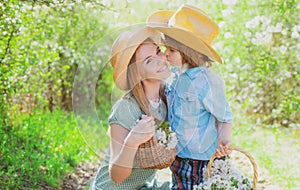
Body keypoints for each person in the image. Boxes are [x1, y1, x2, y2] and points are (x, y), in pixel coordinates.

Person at [147, 4, 234, 189]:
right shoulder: (173, 77)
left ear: (189, 52)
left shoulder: (207, 82)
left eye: (171, 50)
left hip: (202, 160)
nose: (165, 53)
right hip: (179, 156)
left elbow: (225, 117)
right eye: (165, 48)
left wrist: (224, 139)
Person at [89, 26, 171, 189]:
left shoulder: (167, 100)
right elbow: (117, 176)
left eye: (158, 50)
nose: (161, 59)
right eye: (148, 60)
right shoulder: (126, 108)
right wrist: (132, 142)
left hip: (141, 185)